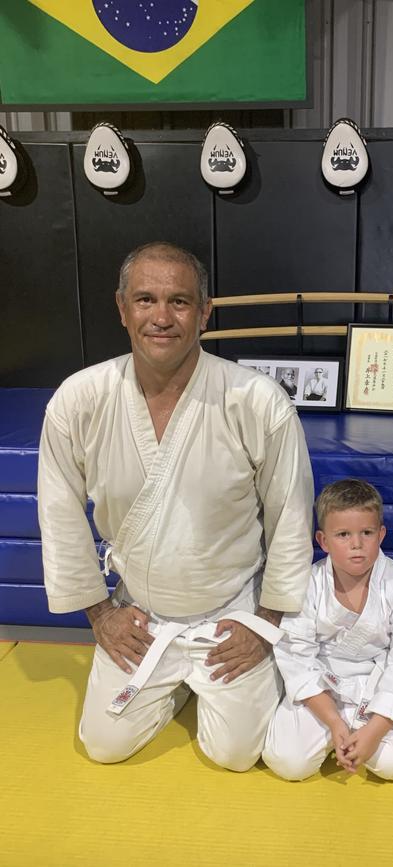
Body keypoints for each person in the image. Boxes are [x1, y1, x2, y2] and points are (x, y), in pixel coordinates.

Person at [37, 242, 314, 770]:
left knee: (234, 754)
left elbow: (291, 519)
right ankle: (175, 685)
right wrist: (101, 616)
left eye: (180, 302)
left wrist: (265, 623)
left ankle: (201, 679)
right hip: (139, 614)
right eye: (145, 300)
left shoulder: (255, 401)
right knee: (104, 745)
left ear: (204, 312)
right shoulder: (79, 399)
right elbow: (59, 514)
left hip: (231, 611)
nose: (161, 317)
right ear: (121, 308)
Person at [263, 479, 393, 781]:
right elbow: (296, 653)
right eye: (343, 534)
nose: (357, 544)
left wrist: (375, 729)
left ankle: (361, 736)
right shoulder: (311, 583)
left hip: (379, 687)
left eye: (366, 533)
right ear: (323, 540)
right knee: (288, 762)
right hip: (324, 687)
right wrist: (334, 721)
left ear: (381, 534)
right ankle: (340, 733)